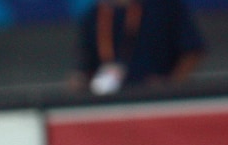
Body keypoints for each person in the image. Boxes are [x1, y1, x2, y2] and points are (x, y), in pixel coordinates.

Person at [69, 0, 207, 95]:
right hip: (110, 102)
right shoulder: (94, 15)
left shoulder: (165, 6)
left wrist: (171, 85)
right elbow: (85, 66)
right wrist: (80, 82)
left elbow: (192, 51)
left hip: (157, 100)